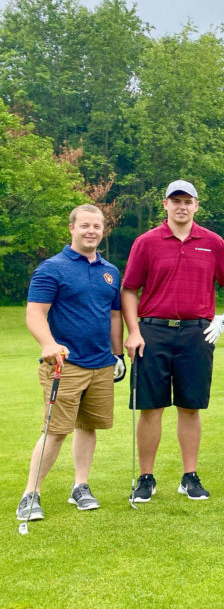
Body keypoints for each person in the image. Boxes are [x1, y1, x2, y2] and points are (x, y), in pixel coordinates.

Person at [121, 180, 224, 502]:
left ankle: (189, 477)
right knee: (151, 408)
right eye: (176, 200)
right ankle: (146, 478)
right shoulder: (146, 242)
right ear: (165, 204)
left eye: (187, 201)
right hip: (153, 332)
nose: (182, 206)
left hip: (196, 333)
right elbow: (129, 289)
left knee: (190, 407)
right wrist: (133, 331)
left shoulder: (212, 242)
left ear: (196, 205)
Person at [16, 204, 123, 522]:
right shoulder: (52, 268)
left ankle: (80, 486)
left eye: (97, 226)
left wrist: (118, 355)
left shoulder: (110, 271)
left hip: (101, 364)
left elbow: (114, 316)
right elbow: (35, 313)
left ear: (103, 230)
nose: (91, 231)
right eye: (85, 225)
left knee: (88, 427)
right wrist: (48, 344)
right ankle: (30, 494)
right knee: (56, 430)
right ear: (72, 229)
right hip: (66, 364)